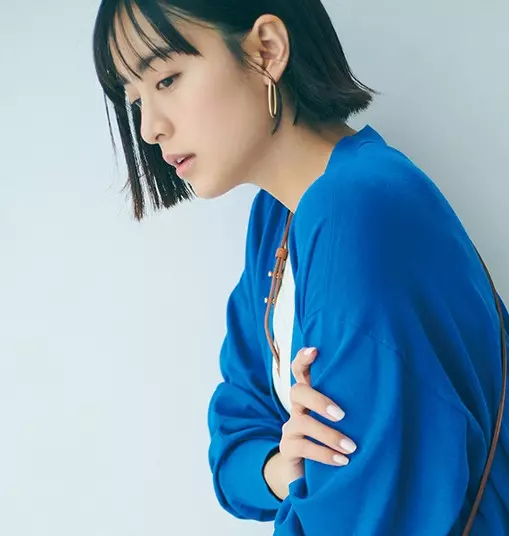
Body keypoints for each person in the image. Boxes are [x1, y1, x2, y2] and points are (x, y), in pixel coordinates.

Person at [92, 1, 509, 534]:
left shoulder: (356, 211)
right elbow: (235, 437)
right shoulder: (277, 218)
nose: (150, 128)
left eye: (167, 80)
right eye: (135, 100)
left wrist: (300, 473)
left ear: (266, 50)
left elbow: (360, 515)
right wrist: (281, 467)